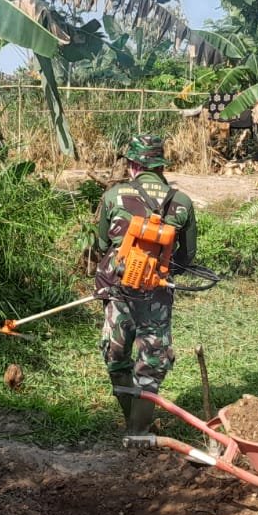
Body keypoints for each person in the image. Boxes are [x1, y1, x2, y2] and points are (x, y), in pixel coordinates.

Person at [93, 135, 198, 432]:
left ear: (133, 164)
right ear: (160, 165)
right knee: (152, 364)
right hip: (157, 295)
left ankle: (135, 426)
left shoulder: (113, 196)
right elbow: (187, 257)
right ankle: (138, 430)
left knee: (116, 356)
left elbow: (101, 243)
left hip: (118, 292)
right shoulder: (182, 202)